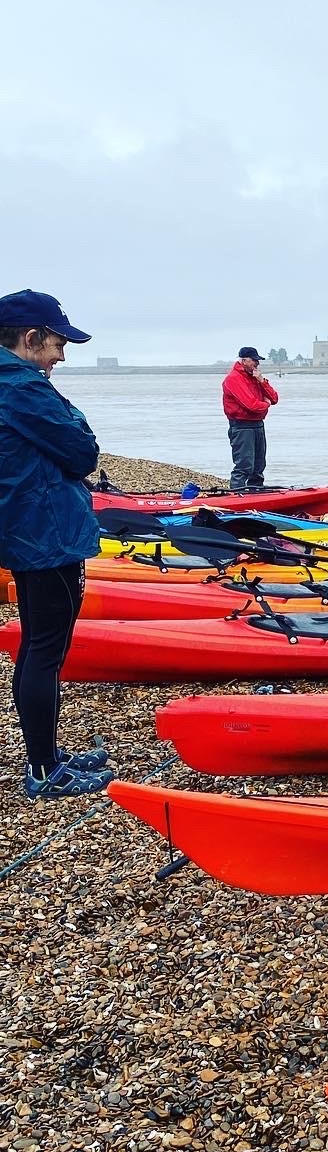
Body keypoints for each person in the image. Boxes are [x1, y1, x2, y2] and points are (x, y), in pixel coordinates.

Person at [0, 290, 115, 799]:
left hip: (28, 528)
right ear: (30, 338)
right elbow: (83, 452)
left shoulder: (15, 384)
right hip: (44, 533)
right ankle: (44, 769)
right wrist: (76, 421)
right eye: (56, 344)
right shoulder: (21, 387)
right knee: (46, 648)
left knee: (38, 646)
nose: (60, 357)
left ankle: (46, 756)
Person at [222, 347, 278, 490]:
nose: (257, 364)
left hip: (258, 425)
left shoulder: (254, 377)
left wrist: (262, 381)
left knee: (259, 466)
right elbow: (251, 405)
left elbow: (275, 398)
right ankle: (236, 494)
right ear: (243, 360)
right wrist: (265, 404)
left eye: (257, 361)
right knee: (244, 465)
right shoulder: (233, 379)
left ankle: (255, 492)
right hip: (241, 426)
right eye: (254, 360)